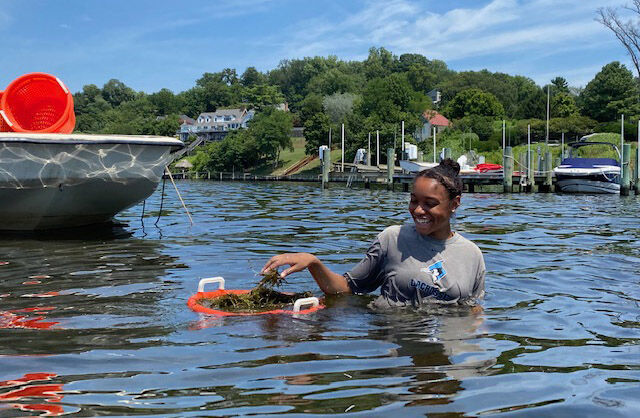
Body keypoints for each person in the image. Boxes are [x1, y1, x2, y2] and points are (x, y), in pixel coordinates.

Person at [261, 158, 485, 307]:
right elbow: (347, 288)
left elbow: (473, 311)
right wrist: (313, 262)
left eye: (430, 203)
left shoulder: (472, 255)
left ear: (454, 204)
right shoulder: (393, 239)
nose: (418, 210)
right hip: (393, 352)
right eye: (414, 200)